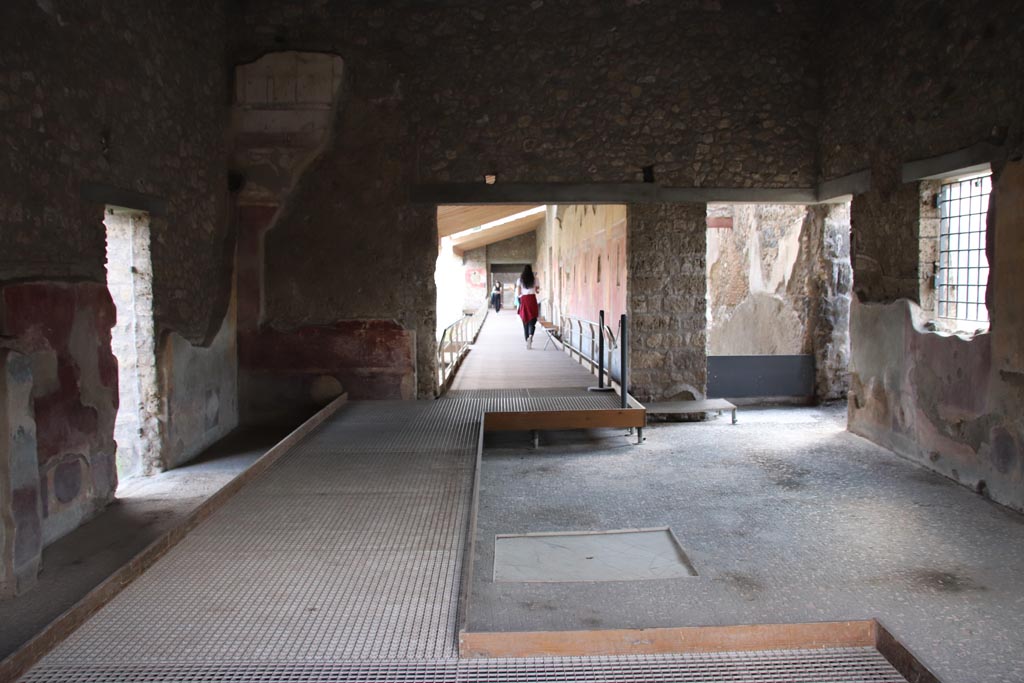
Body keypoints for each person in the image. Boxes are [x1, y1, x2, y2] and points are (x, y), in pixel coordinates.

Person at [515, 265, 540, 349]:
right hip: (532, 299)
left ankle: (527, 340)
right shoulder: (535, 279)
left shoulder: (520, 280)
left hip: (524, 300)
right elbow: (537, 291)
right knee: (532, 320)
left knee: (525, 321)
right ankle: (530, 336)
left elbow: (518, 293)